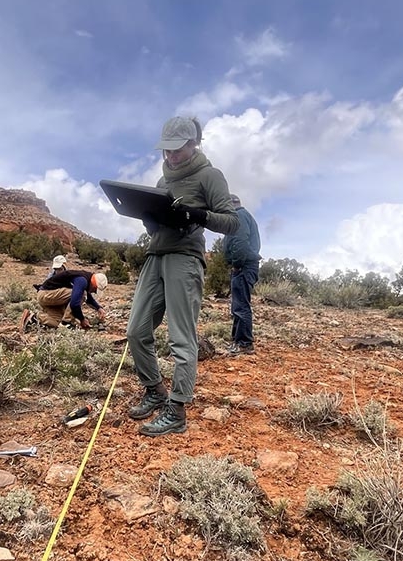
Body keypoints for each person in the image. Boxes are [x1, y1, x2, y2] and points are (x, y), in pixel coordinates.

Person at [125, 116, 239, 437]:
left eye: (177, 150)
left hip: (185, 259)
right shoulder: (162, 182)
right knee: (135, 331)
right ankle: (155, 391)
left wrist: (197, 215)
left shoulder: (209, 176)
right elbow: (159, 221)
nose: (171, 156)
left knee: (181, 337)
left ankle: (176, 409)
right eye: (167, 151)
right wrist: (150, 220)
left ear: (193, 145)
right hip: (155, 256)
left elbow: (232, 222)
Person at [222, 194, 261, 355]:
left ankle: (244, 343)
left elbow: (241, 243)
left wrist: (237, 264)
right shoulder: (244, 216)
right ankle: (238, 341)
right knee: (238, 305)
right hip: (245, 266)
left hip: (244, 267)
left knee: (241, 306)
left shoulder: (239, 216)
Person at [36, 269, 108, 329]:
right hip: (46, 294)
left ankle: (35, 317)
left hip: (48, 297)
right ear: (93, 284)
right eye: (95, 290)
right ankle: (67, 322)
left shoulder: (85, 279)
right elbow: (74, 304)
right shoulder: (82, 280)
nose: (94, 292)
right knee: (82, 294)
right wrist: (82, 319)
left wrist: (98, 308)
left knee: (58, 323)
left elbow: (88, 297)